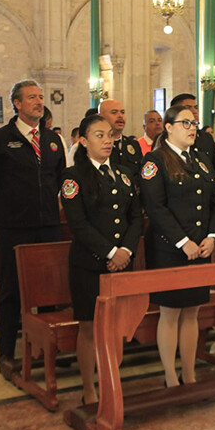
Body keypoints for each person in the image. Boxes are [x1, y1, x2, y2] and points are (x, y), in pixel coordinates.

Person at [0, 79, 66, 380]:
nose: (38, 102)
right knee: (12, 289)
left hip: (49, 224)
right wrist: (5, 212)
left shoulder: (52, 139)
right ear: (16, 103)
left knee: (50, 287)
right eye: (31, 98)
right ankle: (6, 353)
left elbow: (60, 178)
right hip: (14, 228)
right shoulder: (0, 140)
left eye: (40, 97)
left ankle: (50, 348)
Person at [61, 114, 142, 404]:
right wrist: (111, 253)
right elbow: (78, 224)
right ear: (83, 141)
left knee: (116, 327)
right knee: (89, 328)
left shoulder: (122, 173)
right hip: (89, 264)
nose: (107, 140)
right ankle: (89, 388)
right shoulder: (74, 177)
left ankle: (111, 380)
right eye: (99, 135)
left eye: (109, 134)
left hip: (122, 263)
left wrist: (126, 253)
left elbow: (135, 218)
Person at [140, 105, 215, 387]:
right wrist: (182, 241)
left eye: (194, 123)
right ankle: (170, 375)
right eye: (185, 123)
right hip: (169, 249)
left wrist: (212, 237)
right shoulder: (156, 160)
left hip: (200, 247)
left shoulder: (200, 159)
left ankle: (189, 372)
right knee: (171, 312)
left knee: (193, 311)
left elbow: (214, 202)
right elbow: (155, 207)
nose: (191, 128)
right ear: (169, 127)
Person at [99, 99, 143, 180]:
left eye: (122, 112)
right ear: (101, 117)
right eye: (114, 112)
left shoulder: (133, 144)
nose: (120, 116)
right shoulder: (96, 146)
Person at [170, 93, 215, 164]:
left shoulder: (206, 138)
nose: (194, 111)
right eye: (188, 107)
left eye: (196, 107)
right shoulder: (166, 138)